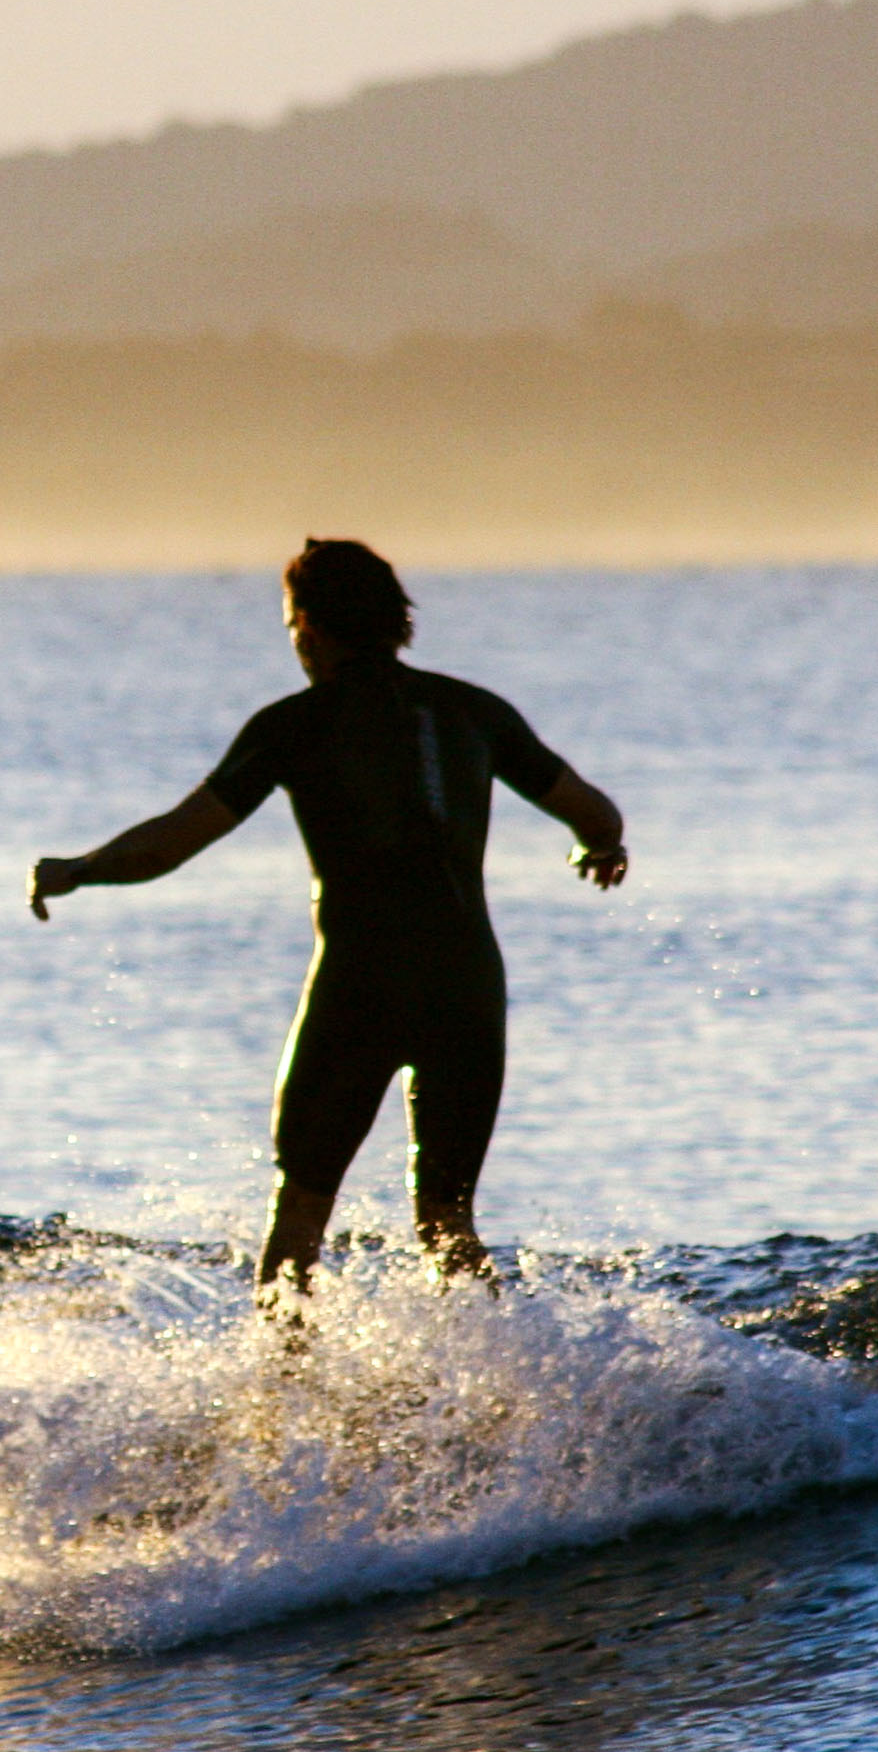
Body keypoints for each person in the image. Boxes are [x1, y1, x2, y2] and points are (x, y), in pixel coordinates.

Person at [31, 539, 626, 1293]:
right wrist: (600, 850)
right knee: (446, 1224)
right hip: (466, 987)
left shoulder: (294, 724)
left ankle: (283, 1368)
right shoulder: (474, 712)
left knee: (300, 1216)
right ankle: (508, 1367)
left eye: (291, 625)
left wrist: (77, 870)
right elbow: (595, 813)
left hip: (360, 988)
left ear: (310, 625)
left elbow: (172, 843)